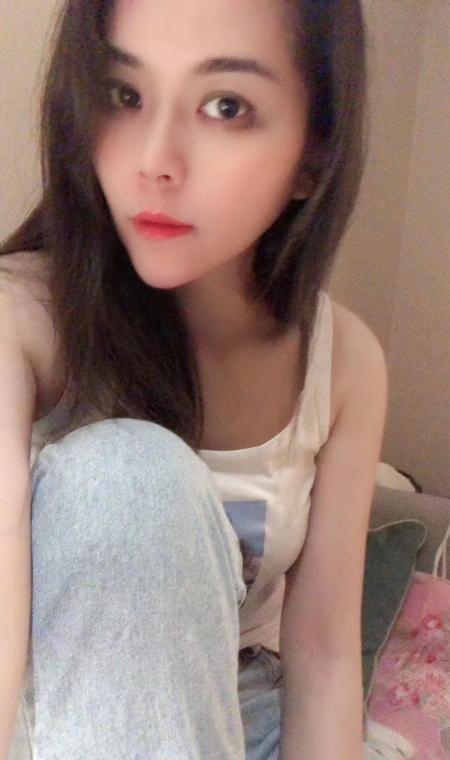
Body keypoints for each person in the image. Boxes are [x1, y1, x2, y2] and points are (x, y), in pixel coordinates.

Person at [0, 0, 389, 758]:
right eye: (124, 94)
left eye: (225, 106)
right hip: (67, 709)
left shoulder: (343, 361)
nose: (154, 160)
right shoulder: (24, 316)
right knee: (131, 475)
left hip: (246, 704)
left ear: (314, 154)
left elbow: (322, 651)